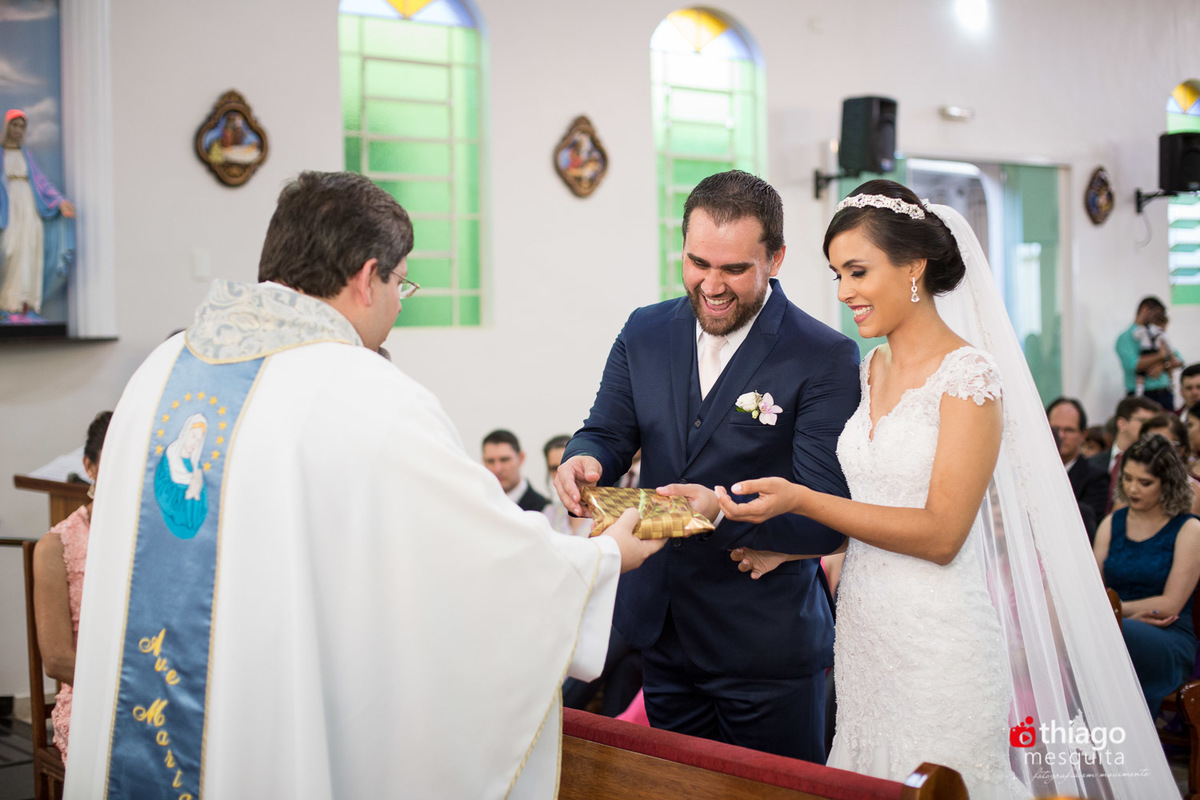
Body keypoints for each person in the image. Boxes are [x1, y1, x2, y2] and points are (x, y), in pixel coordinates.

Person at [63, 171, 662, 800]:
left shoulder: (161, 374)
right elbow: (481, 560)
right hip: (262, 734)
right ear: (365, 276)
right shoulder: (364, 392)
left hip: (162, 712)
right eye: (400, 282)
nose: (400, 302)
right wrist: (603, 556)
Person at [711, 180, 1175, 798]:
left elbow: (941, 534)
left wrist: (801, 500)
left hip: (939, 643)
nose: (845, 292)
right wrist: (793, 547)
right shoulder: (867, 369)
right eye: (836, 275)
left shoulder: (970, 377)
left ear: (914, 267)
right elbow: (876, 504)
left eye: (857, 271)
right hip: (865, 636)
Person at [555, 169, 860, 762]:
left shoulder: (822, 354)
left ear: (775, 258)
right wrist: (584, 459)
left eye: (734, 269)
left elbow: (827, 517)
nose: (712, 285)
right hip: (663, 632)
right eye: (698, 263)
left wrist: (719, 512)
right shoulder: (645, 330)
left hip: (765, 645)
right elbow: (607, 430)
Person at [1094, 435, 1200, 717]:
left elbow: (1169, 605)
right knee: (1089, 632)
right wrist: (1120, 616)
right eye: (1127, 478)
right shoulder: (1111, 523)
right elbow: (1091, 592)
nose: (1132, 488)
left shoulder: (1189, 529)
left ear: (1167, 483)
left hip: (1168, 636)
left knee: (1102, 632)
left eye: (1145, 482)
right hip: (1115, 624)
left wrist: (1118, 613)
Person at [32, 410, 112, 763]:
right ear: (89, 466)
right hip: (91, 697)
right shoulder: (55, 546)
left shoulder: (163, 536)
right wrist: (129, 688)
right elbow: (57, 660)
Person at [0, 108, 75, 320]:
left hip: (28, 207)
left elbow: (41, 183)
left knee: (29, 250)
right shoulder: (1, 152)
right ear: (7, 127)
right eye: (14, 125)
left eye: (22, 126)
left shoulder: (26, 155)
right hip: (8, 208)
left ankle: (24, 306)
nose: (18, 130)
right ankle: (6, 304)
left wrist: (60, 203)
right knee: (10, 249)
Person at [1088, 395, 1162, 515]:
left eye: (1153, 424)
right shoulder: (1092, 463)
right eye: (1144, 422)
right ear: (1122, 424)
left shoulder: (1156, 464)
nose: (1150, 428)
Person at [1046, 396, 1109, 540]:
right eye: (1055, 429)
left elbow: (1088, 529)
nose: (1060, 436)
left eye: (1069, 430)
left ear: (1083, 435)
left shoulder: (1097, 478)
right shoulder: (1026, 473)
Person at [1116, 295, 1182, 409]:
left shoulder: (1158, 334)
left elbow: (1179, 360)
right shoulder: (1126, 337)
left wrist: (1163, 366)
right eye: (1156, 313)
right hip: (1141, 395)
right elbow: (1133, 364)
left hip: (1164, 393)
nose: (1158, 318)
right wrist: (1160, 355)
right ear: (1145, 310)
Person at [482, 428, 549, 511]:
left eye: (504, 460)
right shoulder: (476, 505)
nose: (497, 468)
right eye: (490, 461)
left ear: (521, 458)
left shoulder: (545, 509)